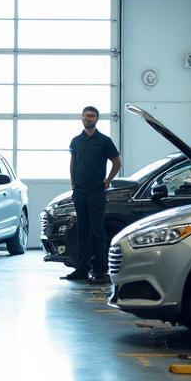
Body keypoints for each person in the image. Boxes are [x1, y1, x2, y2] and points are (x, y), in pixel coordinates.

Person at [64, 106, 121, 286]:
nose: (88, 118)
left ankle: (100, 271)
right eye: (86, 116)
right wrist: (73, 184)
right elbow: (73, 163)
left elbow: (116, 162)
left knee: (97, 231)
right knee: (82, 231)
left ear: (96, 119)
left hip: (96, 192)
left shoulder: (104, 141)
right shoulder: (76, 141)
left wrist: (108, 180)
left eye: (92, 116)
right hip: (80, 192)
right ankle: (82, 269)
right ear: (81, 118)